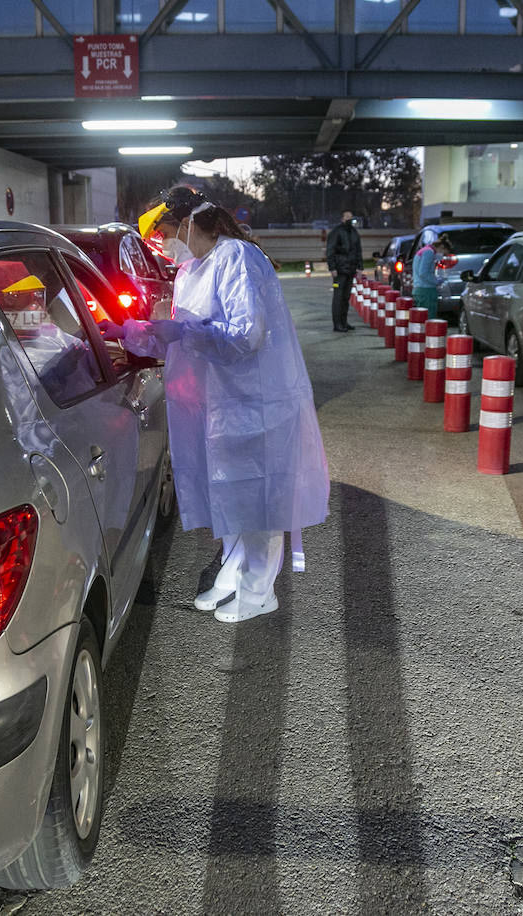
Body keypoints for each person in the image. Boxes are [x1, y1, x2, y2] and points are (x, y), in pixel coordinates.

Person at [105, 186, 331, 623]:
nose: (162, 245)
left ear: (189, 223)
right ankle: (233, 570)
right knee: (227, 494)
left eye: (165, 233)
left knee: (258, 498)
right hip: (215, 403)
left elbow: (247, 335)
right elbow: (180, 333)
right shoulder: (191, 269)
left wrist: (183, 333)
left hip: (253, 402)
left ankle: (259, 589)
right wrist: (129, 330)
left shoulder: (236, 259)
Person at [325, 209, 362, 332]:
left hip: (350, 270)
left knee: (346, 297)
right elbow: (330, 251)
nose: (349, 219)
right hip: (340, 270)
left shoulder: (354, 232)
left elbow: (358, 250)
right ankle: (337, 324)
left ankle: (344, 322)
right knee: (338, 297)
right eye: (347, 217)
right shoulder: (336, 232)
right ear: (342, 218)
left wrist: (360, 267)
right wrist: (332, 268)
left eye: (351, 217)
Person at [410, 233, 452, 319]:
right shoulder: (429, 252)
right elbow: (423, 273)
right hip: (426, 291)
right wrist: (436, 281)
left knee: (421, 319)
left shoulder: (424, 250)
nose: (442, 256)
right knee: (429, 319)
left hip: (420, 290)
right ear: (442, 247)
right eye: (444, 253)